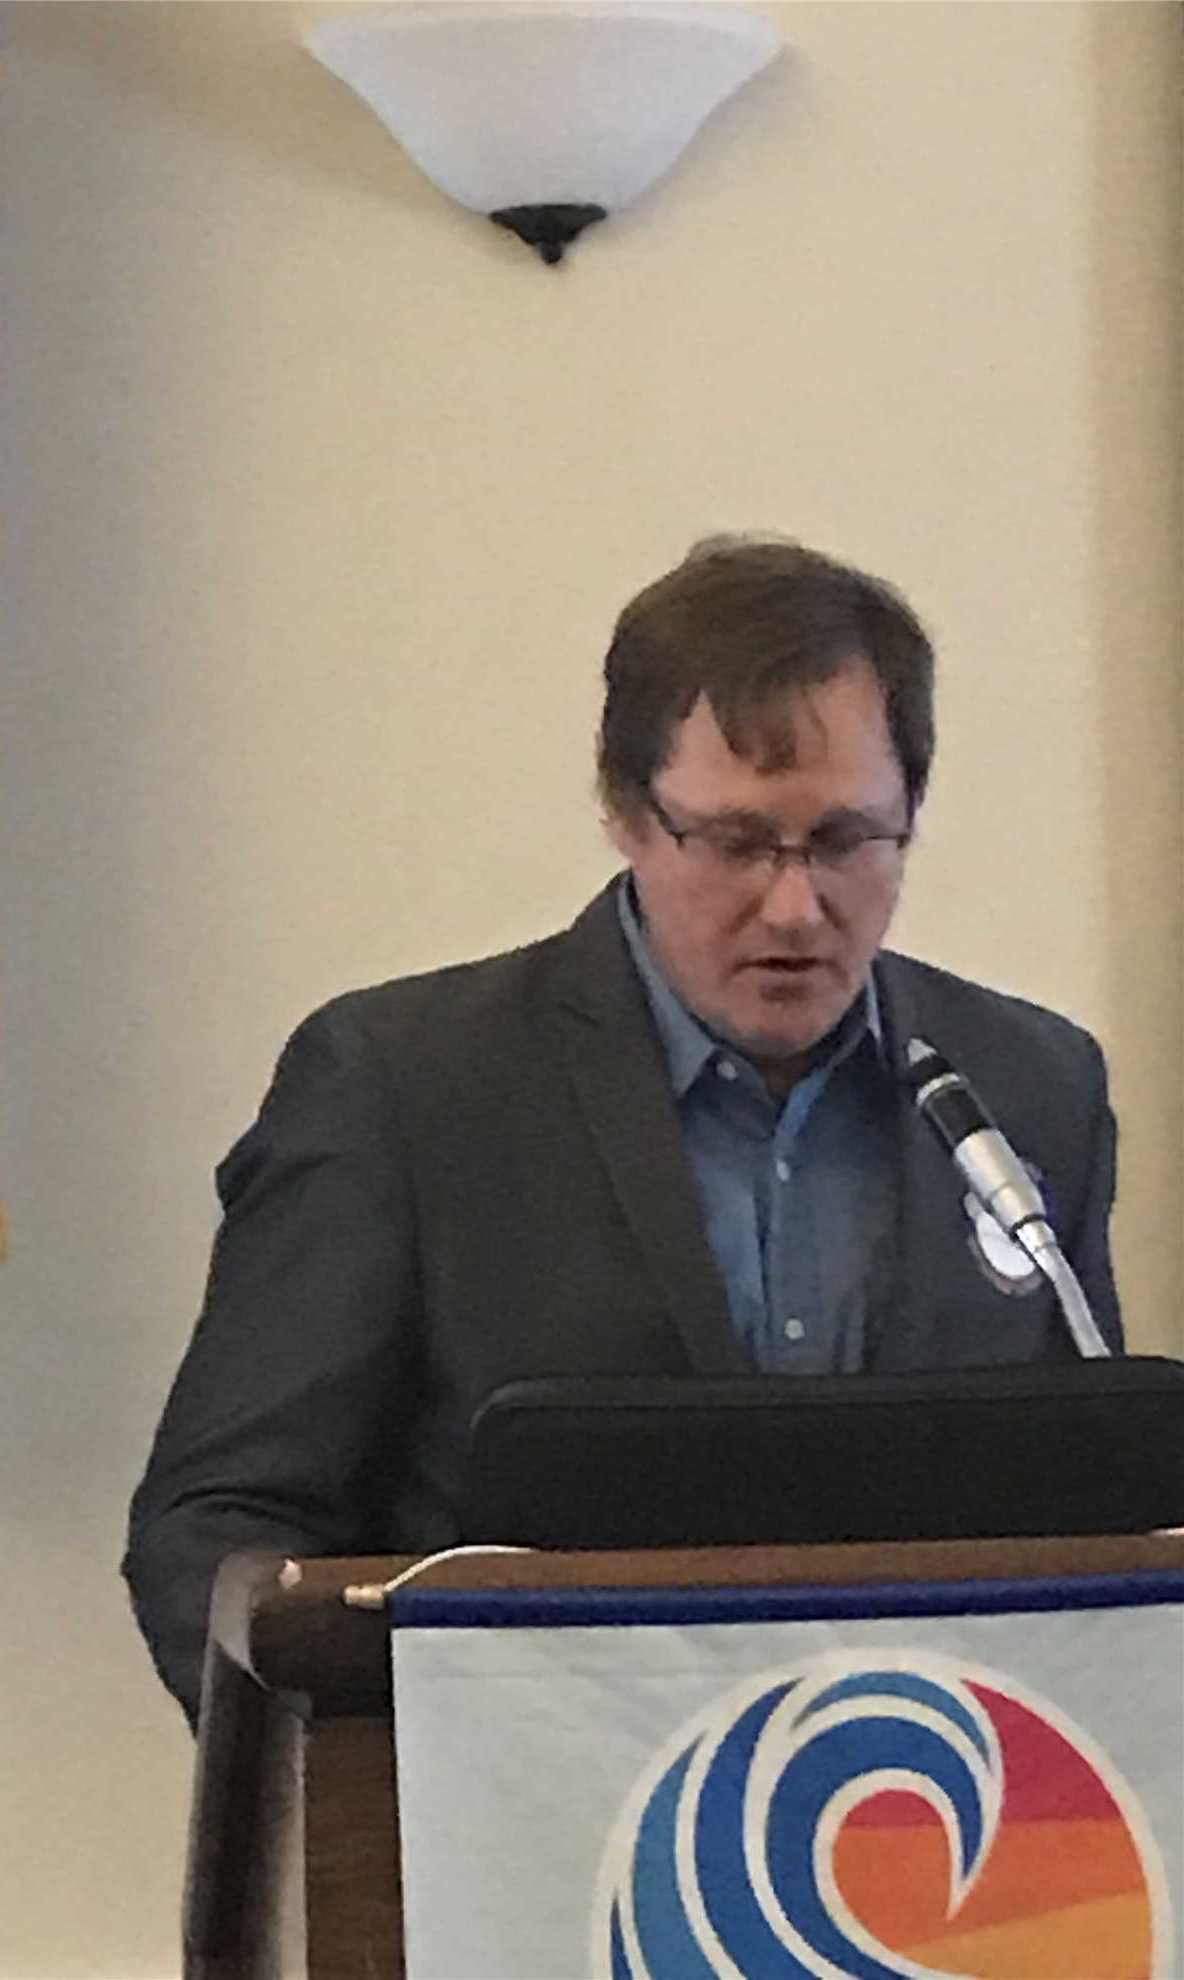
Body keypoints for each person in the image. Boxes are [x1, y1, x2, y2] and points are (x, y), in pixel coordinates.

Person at [124, 535, 1122, 1727]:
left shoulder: (1029, 1089)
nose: (795, 907)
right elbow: (218, 1537)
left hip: (938, 1808)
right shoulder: (406, 1089)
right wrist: (388, 1775)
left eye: (847, 840)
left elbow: (1097, 1517)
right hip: (517, 1808)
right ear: (626, 810)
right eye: (738, 843)